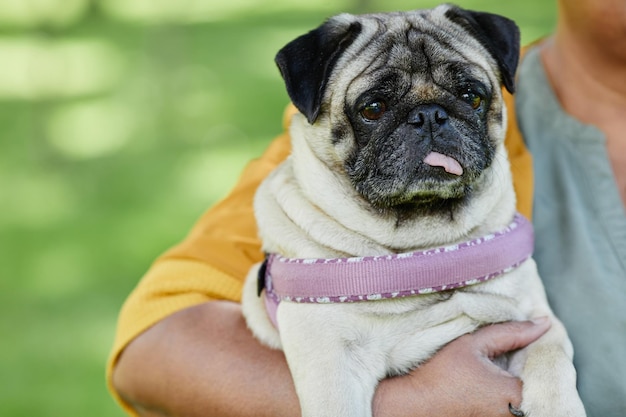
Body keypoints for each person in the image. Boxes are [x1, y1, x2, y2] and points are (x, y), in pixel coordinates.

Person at [107, 0, 626, 416]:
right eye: (376, 109)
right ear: (311, 112)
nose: (430, 125)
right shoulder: (308, 195)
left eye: (465, 98)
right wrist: (405, 405)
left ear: (497, 85)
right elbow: (150, 342)